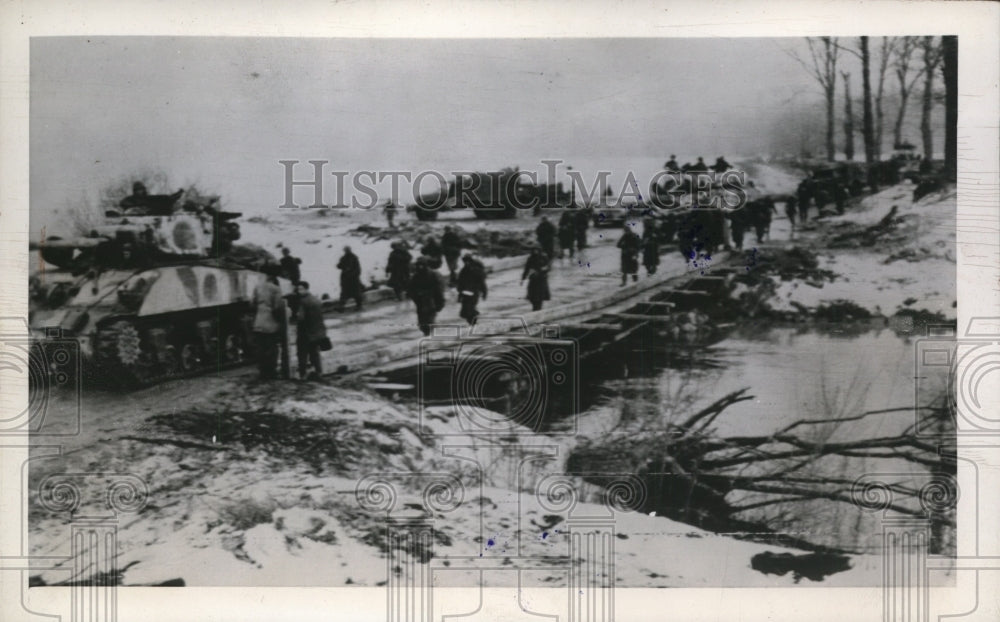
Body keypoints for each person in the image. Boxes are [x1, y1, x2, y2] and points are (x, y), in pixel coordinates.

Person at [251, 267, 285, 381]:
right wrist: (280, 321)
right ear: (275, 276)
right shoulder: (276, 289)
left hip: (259, 321)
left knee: (261, 348)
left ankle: (262, 373)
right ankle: (271, 373)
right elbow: (277, 307)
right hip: (271, 323)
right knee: (272, 348)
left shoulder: (257, 287)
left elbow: (252, 304)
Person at [294, 281, 327, 381]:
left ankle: (302, 375)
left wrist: (295, 315)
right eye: (298, 289)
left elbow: (301, 318)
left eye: (301, 289)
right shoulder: (316, 299)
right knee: (315, 353)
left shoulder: (303, 301)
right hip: (317, 331)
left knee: (302, 354)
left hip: (305, 332)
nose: (299, 291)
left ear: (306, 289)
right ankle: (319, 372)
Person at [408, 257, 445, 335]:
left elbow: (438, 289)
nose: (420, 267)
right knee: (422, 321)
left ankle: (430, 334)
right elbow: (411, 289)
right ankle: (427, 332)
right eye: (418, 265)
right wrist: (416, 297)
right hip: (421, 301)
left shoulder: (433, 274)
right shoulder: (416, 276)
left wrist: (440, 302)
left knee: (429, 320)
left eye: (422, 265)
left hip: (431, 300)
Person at [456, 253, 488, 325]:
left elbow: (481, 282)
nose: (466, 263)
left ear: (470, 261)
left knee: (470, 308)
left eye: (467, 261)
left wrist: (484, 292)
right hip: (465, 293)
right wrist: (460, 293)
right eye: (465, 261)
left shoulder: (476, 270)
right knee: (465, 309)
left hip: (474, 292)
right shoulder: (464, 270)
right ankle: (472, 320)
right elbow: (460, 282)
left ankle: (473, 321)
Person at [522, 247, 551, 311]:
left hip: (541, 279)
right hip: (533, 279)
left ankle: (538, 307)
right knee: (532, 294)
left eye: (536, 250)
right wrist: (523, 278)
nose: (535, 252)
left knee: (540, 295)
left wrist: (541, 270)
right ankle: (535, 306)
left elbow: (548, 267)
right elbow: (527, 268)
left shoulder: (543, 257)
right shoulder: (530, 258)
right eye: (534, 250)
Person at [337, 245, 364, 311]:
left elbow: (358, 269)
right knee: (344, 293)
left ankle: (359, 306)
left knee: (356, 293)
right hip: (346, 279)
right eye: (345, 250)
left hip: (353, 279)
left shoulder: (354, 258)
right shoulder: (343, 258)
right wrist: (344, 267)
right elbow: (339, 266)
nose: (346, 251)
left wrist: (352, 274)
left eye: (347, 250)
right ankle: (341, 306)